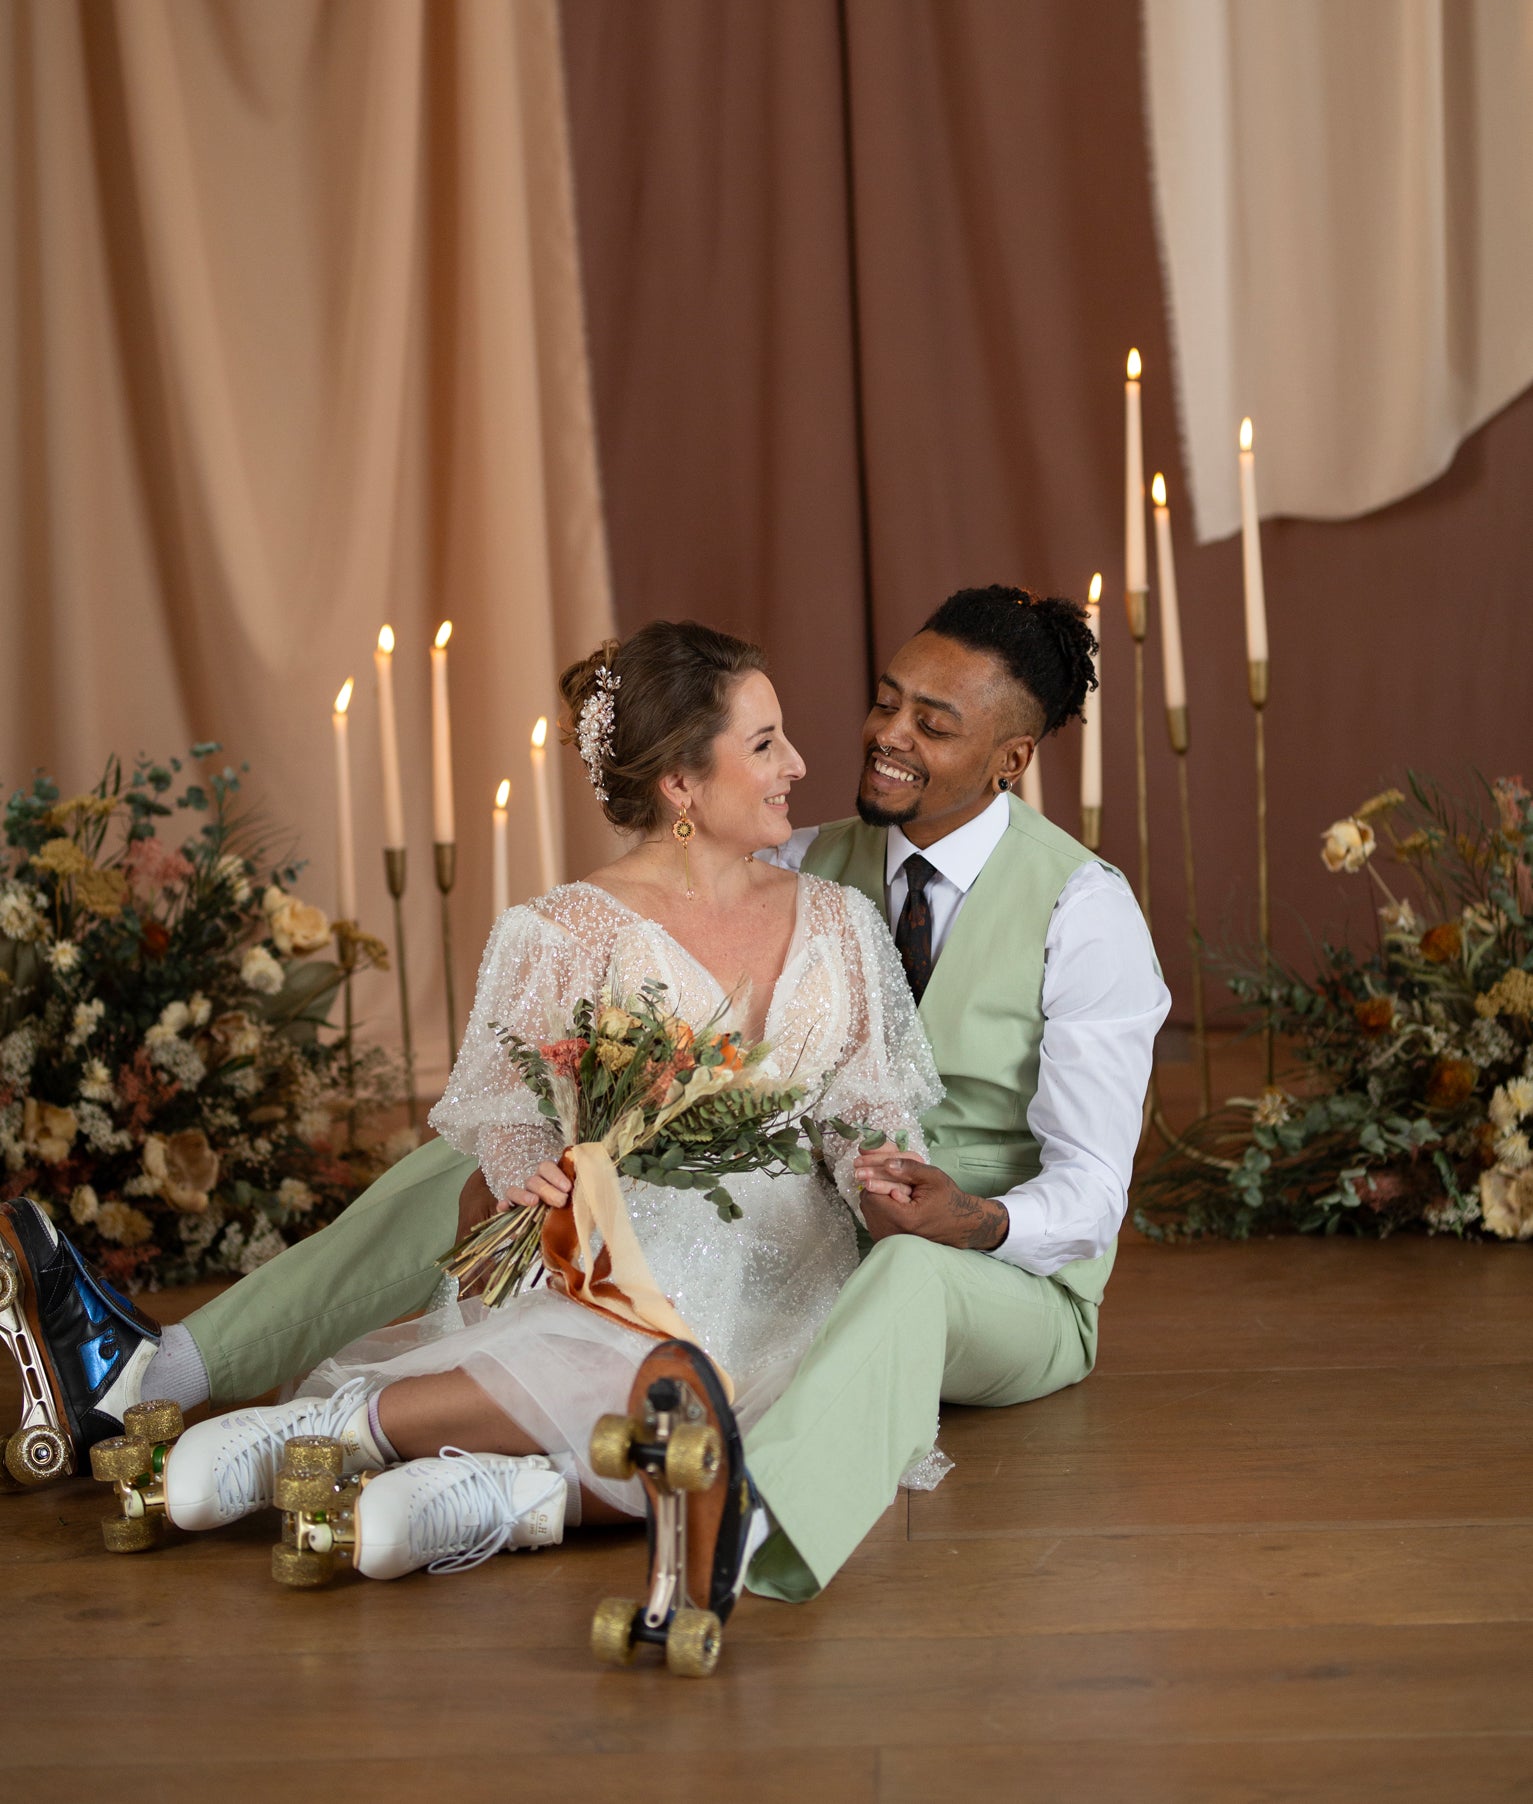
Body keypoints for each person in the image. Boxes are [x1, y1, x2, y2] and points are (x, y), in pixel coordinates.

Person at [3, 583, 1168, 1614]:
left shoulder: (1085, 911)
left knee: (881, 1277)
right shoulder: (813, 865)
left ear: (1012, 759)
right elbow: (714, 943)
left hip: (998, 1270)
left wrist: (967, 1218)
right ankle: (162, 1379)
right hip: (811, 1216)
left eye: (932, 722)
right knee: (467, 1174)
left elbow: (1087, 1196)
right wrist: (546, 1172)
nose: (879, 736)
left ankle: (743, 1523)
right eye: (885, 699)